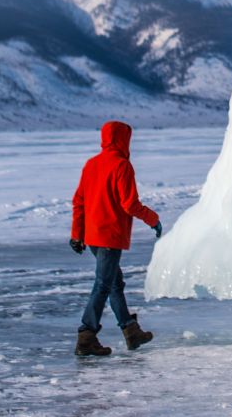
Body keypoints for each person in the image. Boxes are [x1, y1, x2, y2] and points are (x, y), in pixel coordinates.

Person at [69, 119, 162, 356]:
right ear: (123, 139)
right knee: (103, 285)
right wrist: (153, 219)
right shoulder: (122, 166)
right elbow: (129, 204)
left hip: (92, 237)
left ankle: (131, 332)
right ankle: (86, 335)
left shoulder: (91, 164)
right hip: (109, 236)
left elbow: (79, 201)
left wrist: (77, 235)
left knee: (113, 284)